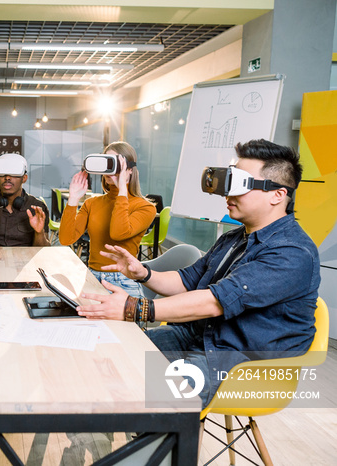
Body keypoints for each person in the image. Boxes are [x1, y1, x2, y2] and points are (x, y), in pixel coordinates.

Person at [75, 139, 320, 406]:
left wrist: (134, 307)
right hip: (200, 337)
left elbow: (214, 301)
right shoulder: (234, 238)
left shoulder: (292, 252)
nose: (227, 194)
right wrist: (142, 273)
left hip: (243, 362)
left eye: (239, 185)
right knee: (116, 356)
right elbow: (188, 280)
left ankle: (153, 438)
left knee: (154, 395)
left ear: (277, 195)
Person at [59, 142, 156, 298]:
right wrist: (73, 199)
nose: (110, 169)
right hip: (92, 278)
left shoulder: (145, 207)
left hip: (124, 281)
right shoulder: (92, 203)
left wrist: (122, 191)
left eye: (116, 164)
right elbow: (65, 239)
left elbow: (119, 233)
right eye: (107, 163)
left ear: (129, 170)